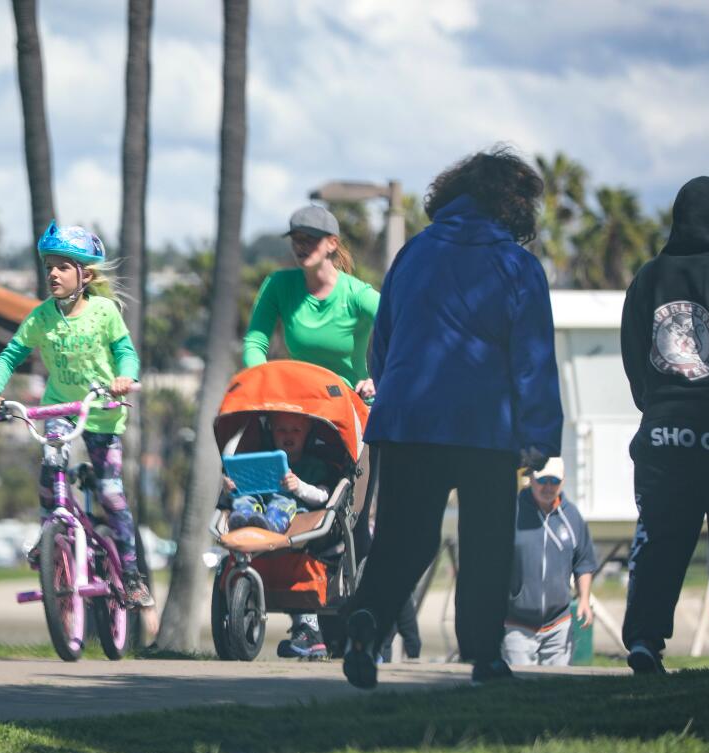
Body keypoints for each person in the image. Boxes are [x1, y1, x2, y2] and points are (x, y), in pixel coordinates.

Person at [341, 146, 561, 689]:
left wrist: (392, 398)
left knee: (402, 539)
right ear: (513, 204)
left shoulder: (414, 253)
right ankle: (485, 656)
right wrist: (540, 437)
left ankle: (367, 622)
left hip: (408, 420)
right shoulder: (517, 265)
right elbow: (532, 358)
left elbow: (383, 344)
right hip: (484, 428)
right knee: (486, 542)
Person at [0, 222, 153, 609]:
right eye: (49, 267)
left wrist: (126, 376)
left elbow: (126, 351)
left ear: (84, 275)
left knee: (110, 494)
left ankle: (133, 575)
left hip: (102, 413)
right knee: (50, 470)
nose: (52, 274)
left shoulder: (105, 312)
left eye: (62, 267)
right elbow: (10, 356)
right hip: (60, 410)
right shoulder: (41, 318)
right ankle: (51, 533)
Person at [620, 176, 709, 674]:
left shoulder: (648, 278)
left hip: (663, 438)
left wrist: (655, 408)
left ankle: (645, 640)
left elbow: (635, 356)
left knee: (659, 541)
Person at [242, 203, 381, 660]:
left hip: (351, 419)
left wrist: (377, 376)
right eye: (296, 238)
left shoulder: (357, 295)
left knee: (352, 522)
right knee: (284, 503)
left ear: (332, 246)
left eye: (310, 238)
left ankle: (360, 620)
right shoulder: (280, 286)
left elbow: (397, 329)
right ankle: (305, 623)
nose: (300, 245)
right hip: (299, 414)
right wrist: (258, 382)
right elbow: (257, 339)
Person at [503, 458, 597, 666]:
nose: (547, 487)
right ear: (531, 479)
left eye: (553, 481)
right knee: (519, 688)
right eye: (542, 480)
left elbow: (584, 562)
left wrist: (584, 600)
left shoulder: (572, 517)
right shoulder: (511, 511)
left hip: (559, 625)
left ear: (562, 482)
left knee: (557, 689)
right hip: (516, 623)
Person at [223, 412, 335, 533]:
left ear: (307, 434)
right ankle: (242, 517)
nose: (288, 435)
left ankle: (272, 524)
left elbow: (322, 496)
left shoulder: (314, 465)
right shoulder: (262, 458)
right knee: (244, 498)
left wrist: (299, 486)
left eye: (296, 430)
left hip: (289, 512)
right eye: (281, 430)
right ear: (271, 432)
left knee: (283, 501)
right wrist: (233, 488)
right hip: (259, 508)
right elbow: (247, 488)